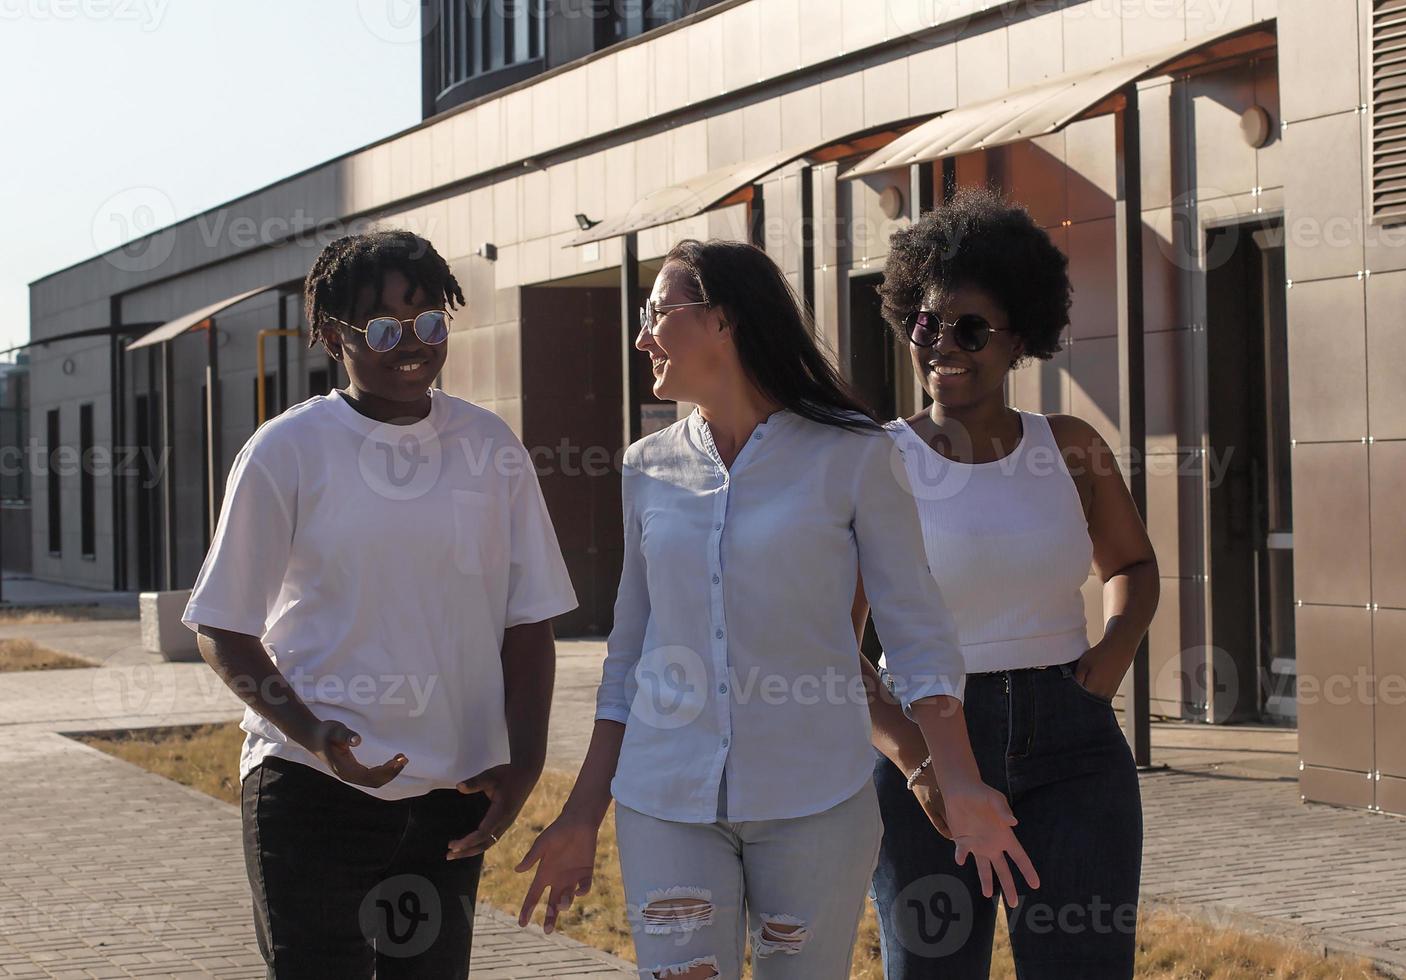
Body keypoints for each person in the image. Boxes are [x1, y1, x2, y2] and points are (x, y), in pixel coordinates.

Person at [514, 238, 1038, 980]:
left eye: (658, 314)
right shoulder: (646, 467)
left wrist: (956, 778)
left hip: (815, 801)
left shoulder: (852, 453)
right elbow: (629, 654)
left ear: (722, 321)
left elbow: (917, 630)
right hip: (664, 799)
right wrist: (580, 815)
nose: (641, 336)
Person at [183, 229, 579, 979]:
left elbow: (529, 623)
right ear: (334, 336)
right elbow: (222, 627)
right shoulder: (287, 450)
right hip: (312, 791)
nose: (414, 345)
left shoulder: (489, 447)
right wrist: (312, 731)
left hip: (450, 801)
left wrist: (524, 762)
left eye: (430, 322)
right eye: (387, 327)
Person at [858, 187, 1159, 978]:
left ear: (1019, 336)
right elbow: (829, 639)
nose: (943, 345)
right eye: (927, 324)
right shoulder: (876, 461)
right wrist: (917, 760)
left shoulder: (1070, 446)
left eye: (971, 328)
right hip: (928, 747)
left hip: (1074, 745)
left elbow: (1132, 565)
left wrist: (1114, 650)